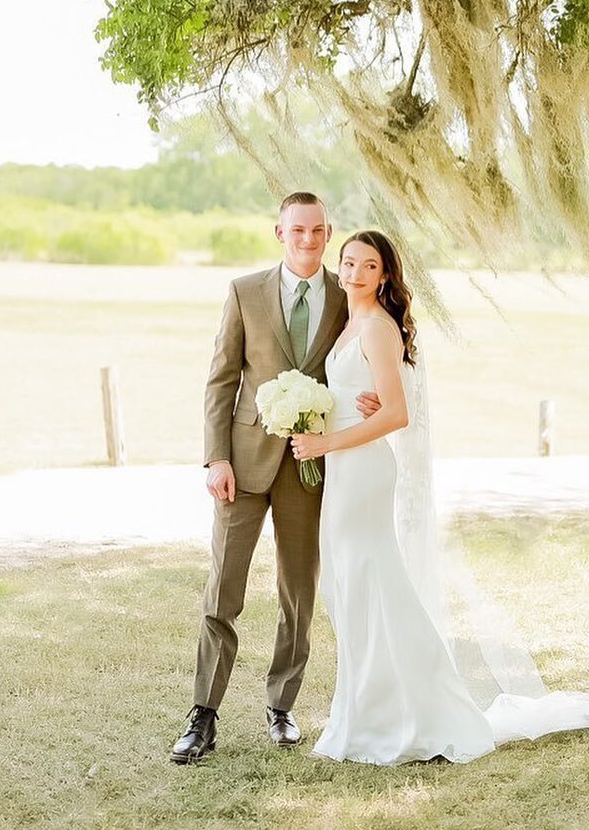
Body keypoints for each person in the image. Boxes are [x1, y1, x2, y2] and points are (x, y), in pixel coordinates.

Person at [291, 230, 589, 765]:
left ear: (385, 275)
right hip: (342, 464)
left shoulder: (379, 328)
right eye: (348, 263)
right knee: (353, 589)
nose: (355, 273)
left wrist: (326, 440)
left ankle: (402, 716)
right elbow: (359, 397)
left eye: (368, 266)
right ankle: (366, 711)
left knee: (370, 584)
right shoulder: (347, 324)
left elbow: (396, 414)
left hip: (362, 469)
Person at [172, 191, 371, 763]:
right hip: (242, 463)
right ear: (278, 232)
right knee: (223, 590)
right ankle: (202, 716)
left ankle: (281, 707)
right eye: (297, 230)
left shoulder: (346, 295)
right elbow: (221, 379)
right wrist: (216, 458)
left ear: (328, 233)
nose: (308, 240)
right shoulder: (244, 291)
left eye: (317, 231)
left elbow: (363, 361)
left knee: (298, 593)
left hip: (309, 469)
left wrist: (373, 397)